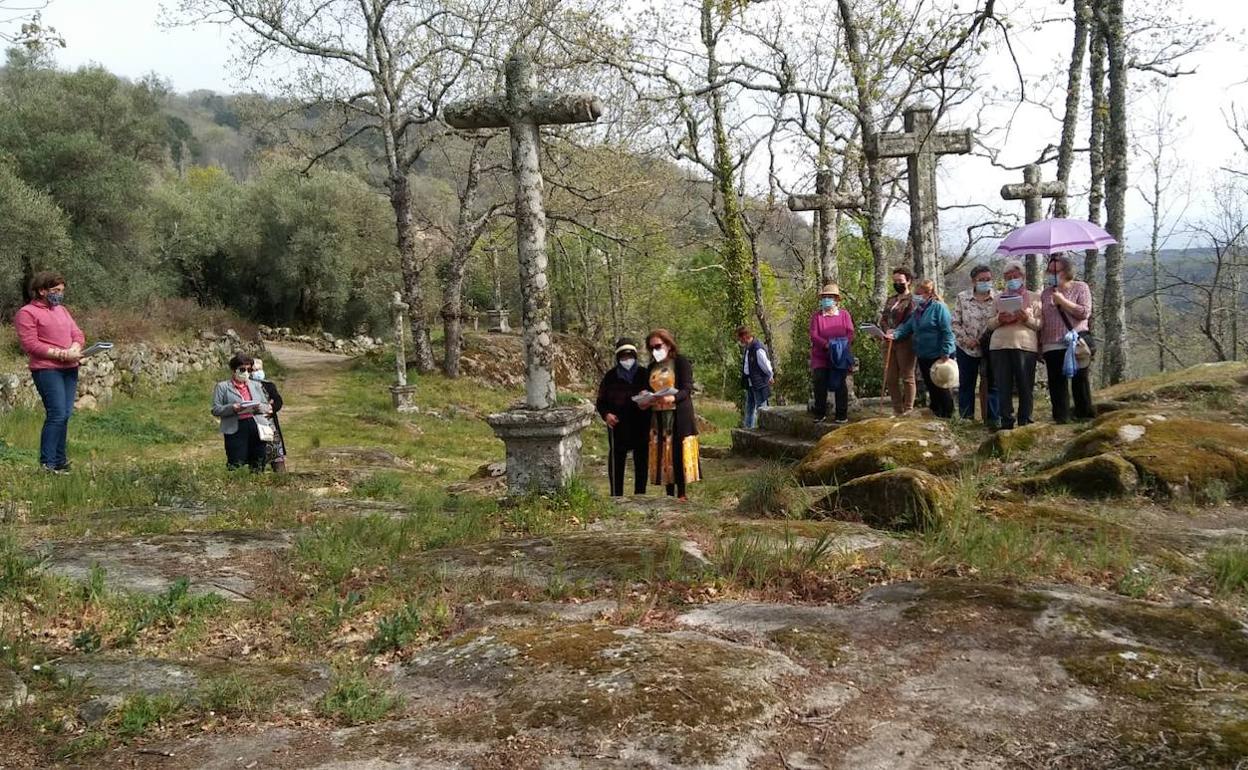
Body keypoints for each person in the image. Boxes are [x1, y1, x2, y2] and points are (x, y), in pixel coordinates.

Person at [14, 271, 85, 473]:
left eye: (62, 290)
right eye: (55, 290)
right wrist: (61, 354)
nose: (59, 294)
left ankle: (61, 461)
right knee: (56, 414)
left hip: (70, 369)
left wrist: (75, 348)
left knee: (65, 414)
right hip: (47, 370)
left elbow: (77, 333)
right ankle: (48, 463)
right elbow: (31, 344)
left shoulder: (62, 310)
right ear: (41, 291)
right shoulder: (27, 313)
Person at [640, 329, 700, 501]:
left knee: (677, 452)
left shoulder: (680, 362)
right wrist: (646, 397)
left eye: (658, 346)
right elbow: (649, 389)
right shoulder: (651, 367)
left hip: (678, 415)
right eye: (651, 348)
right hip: (658, 416)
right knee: (664, 453)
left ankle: (681, 493)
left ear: (668, 344)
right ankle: (668, 493)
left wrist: (672, 397)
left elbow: (687, 389)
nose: (655, 351)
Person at [888, 279, 956, 418]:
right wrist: (894, 334)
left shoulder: (939, 308)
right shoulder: (918, 311)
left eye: (919, 294)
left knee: (941, 386)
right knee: (930, 386)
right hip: (923, 353)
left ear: (928, 293)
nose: (916, 297)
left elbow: (947, 330)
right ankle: (935, 411)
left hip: (939, 353)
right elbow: (907, 327)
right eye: (915, 294)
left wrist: (946, 351)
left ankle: (948, 415)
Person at [1040, 254, 1095, 423]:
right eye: (1049, 271)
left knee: (1080, 379)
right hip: (1051, 343)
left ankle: (1084, 414)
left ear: (1067, 271)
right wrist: (1039, 344)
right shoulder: (1045, 293)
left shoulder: (1081, 287)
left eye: (1055, 271)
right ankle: (1061, 417)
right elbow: (1043, 319)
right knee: (1056, 382)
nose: (1051, 274)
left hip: (1076, 341)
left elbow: (1084, 312)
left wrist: (1063, 301)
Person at [987, 260, 1042, 429]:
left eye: (1015, 276)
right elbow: (989, 324)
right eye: (1008, 277)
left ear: (1023, 277)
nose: (1012, 280)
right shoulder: (998, 298)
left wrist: (1027, 318)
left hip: (1025, 346)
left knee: (1025, 385)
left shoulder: (1034, 297)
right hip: (1000, 346)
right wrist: (999, 319)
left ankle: (1025, 420)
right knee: (1003, 385)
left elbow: (1040, 324)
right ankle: (1006, 421)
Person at [595, 338, 649, 496]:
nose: (627, 360)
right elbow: (600, 401)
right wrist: (606, 415)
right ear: (618, 358)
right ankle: (616, 495)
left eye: (630, 356)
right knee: (617, 459)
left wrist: (646, 398)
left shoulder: (643, 374)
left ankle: (640, 494)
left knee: (641, 460)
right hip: (618, 424)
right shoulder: (610, 376)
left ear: (635, 356)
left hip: (641, 423)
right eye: (623, 357)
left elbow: (653, 396)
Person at [951, 264, 1001, 425]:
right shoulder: (962, 297)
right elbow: (955, 323)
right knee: (967, 384)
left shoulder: (998, 298)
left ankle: (993, 418)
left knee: (992, 383)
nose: (985, 282)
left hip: (990, 346)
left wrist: (982, 340)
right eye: (981, 280)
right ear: (973, 281)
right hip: (966, 348)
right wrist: (966, 340)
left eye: (988, 279)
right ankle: (967, 417)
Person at [211, 353, 274, 472]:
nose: (246, 372)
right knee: (235, 462)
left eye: (249, 370)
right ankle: (236, 487)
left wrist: (259, 407)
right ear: (234, 370)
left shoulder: (256, 385)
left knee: (258, 460)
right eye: (242, 369)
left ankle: (257, 484)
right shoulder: (222, 387)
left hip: (256, 426)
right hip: (235, 427)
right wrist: (232, 408)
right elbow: (216, 409)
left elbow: (266, 406)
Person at [809, 283, 855, 424]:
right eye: (824, 297)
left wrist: (840, 345)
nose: (826, 300)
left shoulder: (844, 315)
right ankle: (819, 413)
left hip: (839, 356)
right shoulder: (817, 316)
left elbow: (850, 332)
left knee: (840, 384)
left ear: (836, 300)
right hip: (821, 356)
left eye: (829, 297)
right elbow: (813, 334)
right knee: (820, 381)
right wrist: (826, 344)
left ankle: (841, 415)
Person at [879, 267, 917, 416]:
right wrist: (886, 329)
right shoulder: (891, 299)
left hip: (905, 342)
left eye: (900, 281)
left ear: (908, 281)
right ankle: (897, 409)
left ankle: (908, 409)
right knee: (891, 377)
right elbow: (883, 318)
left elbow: (910, 320)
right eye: (894, 281)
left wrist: (897, 333)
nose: (897, 284)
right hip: (888, 341)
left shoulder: (913, 300)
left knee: (907, 376)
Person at [250, 357, 287, 472]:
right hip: (254, 424)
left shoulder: (269, 385)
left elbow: (278, 401)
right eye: (254, 370)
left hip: (270, 425)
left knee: (277, 454)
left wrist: (271, 408)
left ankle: (281, 479)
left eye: (259, 369)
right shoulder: (247, 386)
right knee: (256, 453)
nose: (257, 372)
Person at [736, 326, 774, 429]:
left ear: (744, 336)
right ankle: (748, 429)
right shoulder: (749, 348)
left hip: (759, 382)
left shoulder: (757, 348)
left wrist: (770, 375)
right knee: (749, 408)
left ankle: (765, 430)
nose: (740, 341)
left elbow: (765, 364)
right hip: (750, 382)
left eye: (740, 338)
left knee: (761, 408)